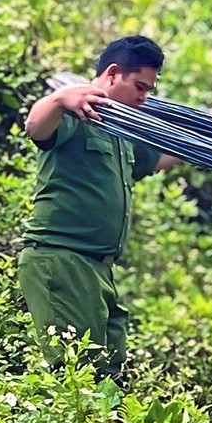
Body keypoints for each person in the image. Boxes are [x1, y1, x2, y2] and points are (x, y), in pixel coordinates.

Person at [18, 36, 188, 378]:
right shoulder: (74, 113)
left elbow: (155, 160)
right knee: (75, 375)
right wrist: (59, 99)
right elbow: (36, 128)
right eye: (140, 86)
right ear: (112, 74)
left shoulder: (121, 128)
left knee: (109, 370)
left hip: (98, 269)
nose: (144, 97)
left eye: (150, 89)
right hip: (62, 260)